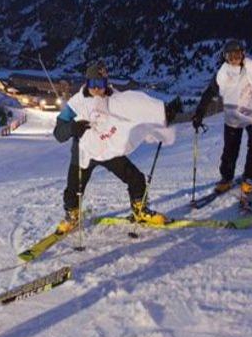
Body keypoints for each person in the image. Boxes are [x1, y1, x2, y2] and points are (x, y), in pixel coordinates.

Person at [52, 61, 180, 233]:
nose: (97, 89)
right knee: (73, 189)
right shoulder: (76, 104)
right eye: (93, 84)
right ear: (87, 83)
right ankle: (73, 216)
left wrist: (163, 114)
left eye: (101, 84)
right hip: (84, 153)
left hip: (108, 149)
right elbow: (58, 133)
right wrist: (72, 128)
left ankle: (140, 211)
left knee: (136, 178)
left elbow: (138, 108)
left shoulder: (115, 99)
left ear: (107, 84)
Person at [190, 39, 252, 197]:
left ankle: (250, 178)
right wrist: (199, 114)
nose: (234, 59)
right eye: (230, 56)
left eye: (237, 54)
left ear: (243, 54)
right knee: (231, 147)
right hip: (233, 113)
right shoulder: (223, 74)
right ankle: (226, 178)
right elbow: (208, 94)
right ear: (225, 57)